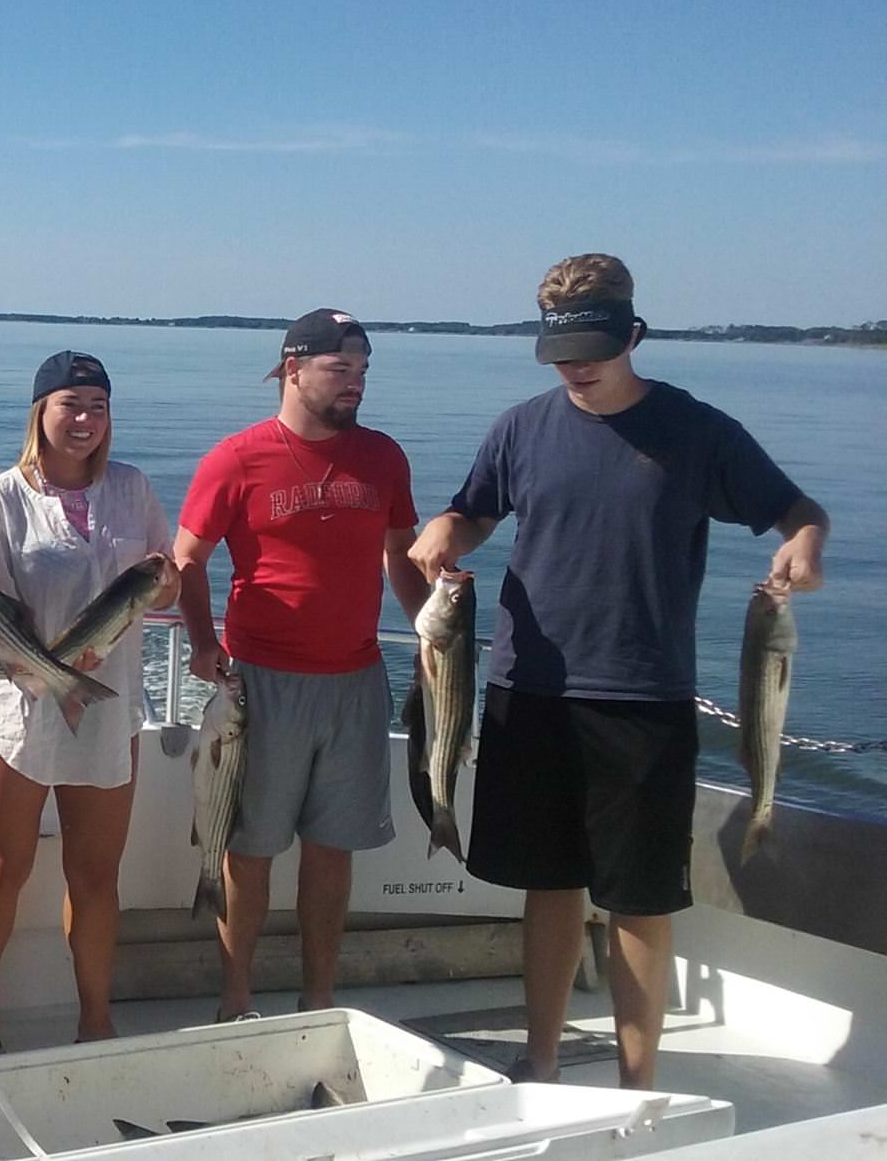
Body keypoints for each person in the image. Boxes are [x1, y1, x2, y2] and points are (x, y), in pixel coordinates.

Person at [409, 253, 829, 1089]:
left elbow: (796, 509)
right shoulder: (521, 427)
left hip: (644, 696)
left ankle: (639, 1083)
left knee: (639, 900)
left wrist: (805, 543)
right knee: (548, 887)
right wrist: (445, 533)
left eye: (593, 350)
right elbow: (475, 511)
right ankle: (544, 1060)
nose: (577, 369)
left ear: (634, 333)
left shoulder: (698, 431)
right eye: (561, 354)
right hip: (526, 692)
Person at [171, 309, 428, 1022]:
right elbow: (186, 558)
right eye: (340, 370)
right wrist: (200, 641)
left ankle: (319, 1001)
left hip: (357, 680)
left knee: (332, 848)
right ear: (293, 368)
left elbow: (401, 557)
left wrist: (434, 631)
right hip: (261, 684)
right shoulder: (237, 457)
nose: (355, 385)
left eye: (363, 372)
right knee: (249, 850)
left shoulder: (383, 457)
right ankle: (237, 1000)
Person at [0, 350, 177, 1053]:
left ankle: (95, 1017)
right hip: (13, 704)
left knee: (95, 874)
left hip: (104, 705)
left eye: (97, 407)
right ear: (40, 413)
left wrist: (162, 585)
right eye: (70, 405)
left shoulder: (132, 489)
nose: (84, 420)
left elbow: (164, 583)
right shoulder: (1, 495)